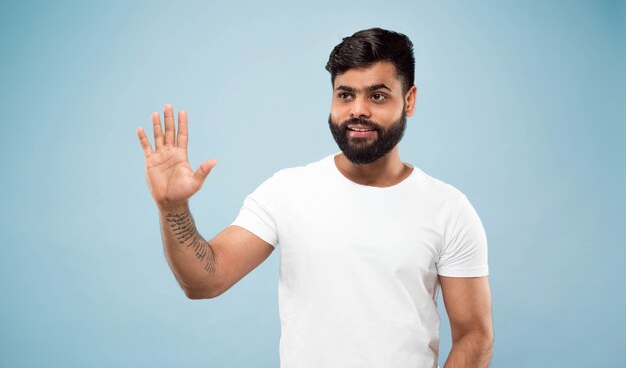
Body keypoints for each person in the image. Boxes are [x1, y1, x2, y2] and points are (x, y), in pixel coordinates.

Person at [137, 27, 494, 368]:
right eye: (345, 94)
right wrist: (173, 208)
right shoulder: (287, 191)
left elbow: (474, 335)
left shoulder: (448, 209)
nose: (358, 110)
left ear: (410, 100)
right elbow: (205, 281)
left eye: (378, 95)